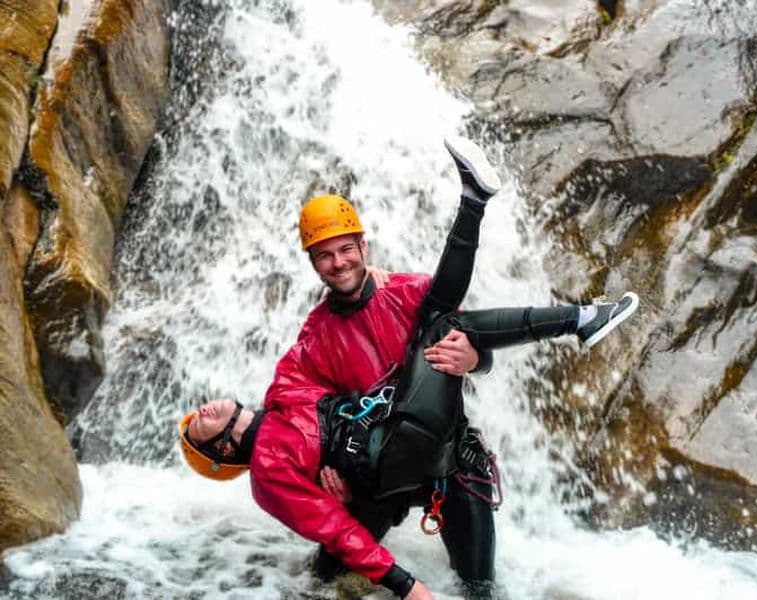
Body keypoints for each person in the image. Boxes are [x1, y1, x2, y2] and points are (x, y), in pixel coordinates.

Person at [179, 136, 639, 599]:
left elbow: (476, 343)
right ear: (314, 265)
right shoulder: (314, 340)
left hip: (448, 464)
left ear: (363, 245)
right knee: (322, 584)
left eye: (346, 250)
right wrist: (321, 481)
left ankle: (501, 231)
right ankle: (571, 310)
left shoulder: (403, 291)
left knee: (481, 588)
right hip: (378, 479)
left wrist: (475, 361)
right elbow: (291, 418)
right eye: (325, 255)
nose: (339, 263)